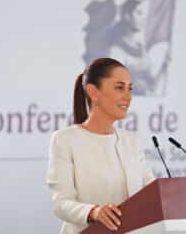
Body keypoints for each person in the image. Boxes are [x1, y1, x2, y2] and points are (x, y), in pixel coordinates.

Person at [46, 58, 155, 234]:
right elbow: (61, 204)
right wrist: (94, 212)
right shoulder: (64, 140)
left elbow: (152, 194)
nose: (128, 96)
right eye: (119, 88)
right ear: (93, 92)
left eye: (130, 88)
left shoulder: (132, 141)